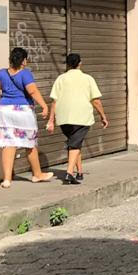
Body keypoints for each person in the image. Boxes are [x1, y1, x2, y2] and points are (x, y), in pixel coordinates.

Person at [0, 47, 53, 188]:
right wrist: (44, 106)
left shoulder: (1, 73)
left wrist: (5, 98)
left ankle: (7, 179)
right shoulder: (25, 73)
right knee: (30, 143)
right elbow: (32, 91)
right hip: (22, 111)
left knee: (8, 143)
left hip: (4, 111)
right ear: (24, 60)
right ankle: (37, 174)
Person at [46, 53, 107, 186]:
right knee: (75, 144)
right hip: (81, 116)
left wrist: (51, 120)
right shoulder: (88, 79)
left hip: (63, 117)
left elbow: (54, 101)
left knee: (74, 142)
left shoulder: (61, 79)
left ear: (67, 64)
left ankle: (79, 171)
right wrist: (103, 116)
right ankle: (69, 173)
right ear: (80, 63)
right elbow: (96, 101)